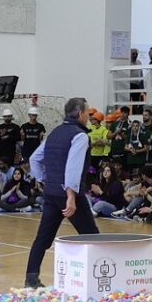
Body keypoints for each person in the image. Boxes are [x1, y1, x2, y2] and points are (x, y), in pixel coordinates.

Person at [21, 97, 99, 288]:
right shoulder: (80, 136)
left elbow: (34, 159)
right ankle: (99, 281)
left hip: (51, 194)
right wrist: (71, 197)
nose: (88, 117)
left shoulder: (54, 133)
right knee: (93, 238)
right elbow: (73, 168)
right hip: (69, 195)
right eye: (87, 112)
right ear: (80, 113)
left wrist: (44, 180)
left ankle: (31, 278)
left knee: (43, 238)